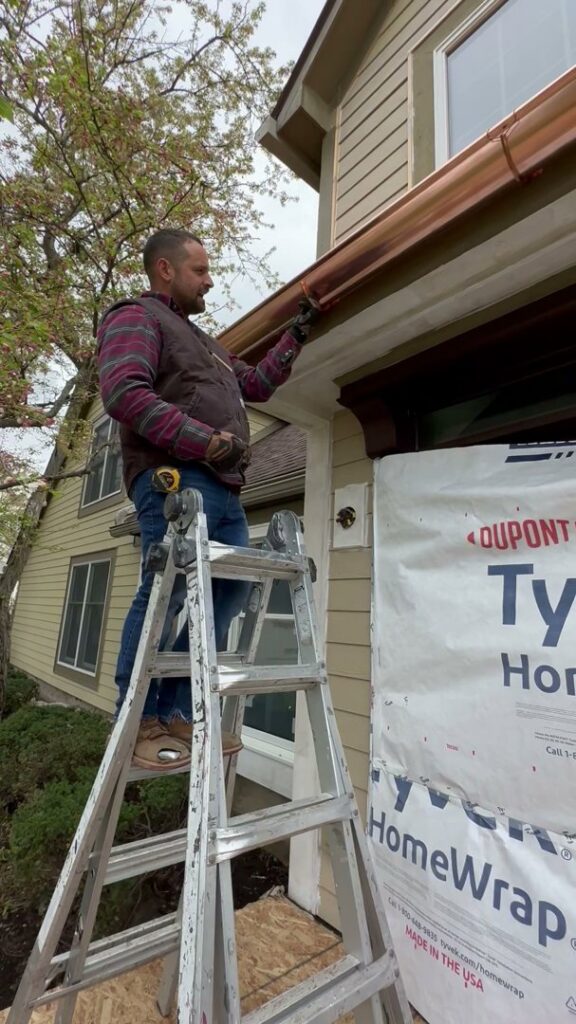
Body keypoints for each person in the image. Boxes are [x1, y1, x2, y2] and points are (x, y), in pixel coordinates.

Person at [97, 228, 320, 770]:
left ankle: (175, 712)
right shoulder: (137, 317)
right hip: (176, 480)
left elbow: (259, 385)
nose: (211, 280)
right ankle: (138, 721)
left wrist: (296, 333)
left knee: (225, 598)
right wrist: (204, 442)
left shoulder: (210, 347)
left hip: (223, 489)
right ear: (166, 270)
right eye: (200, 270)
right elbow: (124, 392)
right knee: (165, 595)